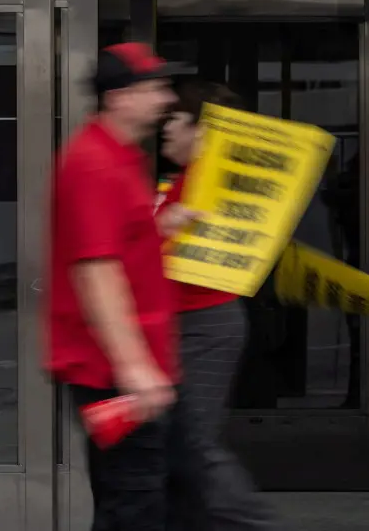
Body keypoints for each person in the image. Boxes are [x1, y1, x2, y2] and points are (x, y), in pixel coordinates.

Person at [45, 42, 185, 531]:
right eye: (156, 88)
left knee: (140, 499)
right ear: (119, 97)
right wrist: (135, 368)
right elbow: (96, 269)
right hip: (114, 374)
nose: (166, 98)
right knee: (134, 506)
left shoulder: (119, 157)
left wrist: (162, 228)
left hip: (131, 369)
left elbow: (117, 245)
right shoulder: (95, 163)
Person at [157, 79, 278, 531]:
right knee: (180, 446)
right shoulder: (188, 182)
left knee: (194, 445)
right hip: (184, 324)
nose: (166, 127)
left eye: (177, 119)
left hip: (203, 326)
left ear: (202, 131)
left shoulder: (209, 185)